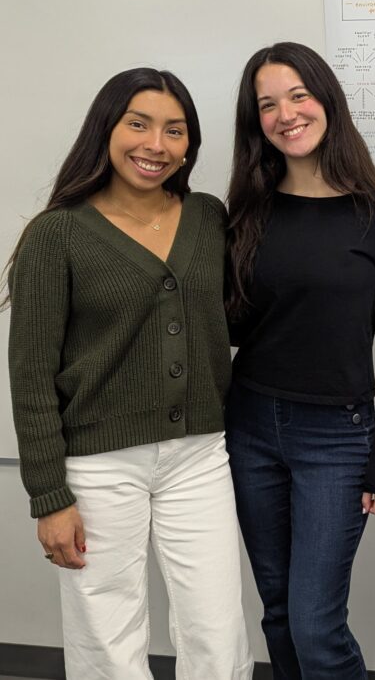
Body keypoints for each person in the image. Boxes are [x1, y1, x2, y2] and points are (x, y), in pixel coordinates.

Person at [4, 68, 252, 679]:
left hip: (200, 454)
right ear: (106, 129)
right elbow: (31, 376)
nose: (156, 144)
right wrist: (49, 496)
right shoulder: (55, 234)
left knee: (217, 628)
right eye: (137, 124)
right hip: (98, 463)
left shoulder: (207, 216)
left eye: (175, 130)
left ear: (189, 144)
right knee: (105, 633)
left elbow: (228, 323)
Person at [225, 41, 375, 679]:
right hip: (249, 427)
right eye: (268, 104)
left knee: (315, 623)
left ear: (326, 100)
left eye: (298, 96)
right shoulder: (247, 211)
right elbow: (233, 325)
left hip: (337, 438)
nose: (286, 114)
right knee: (277, 613)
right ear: (257, 122)